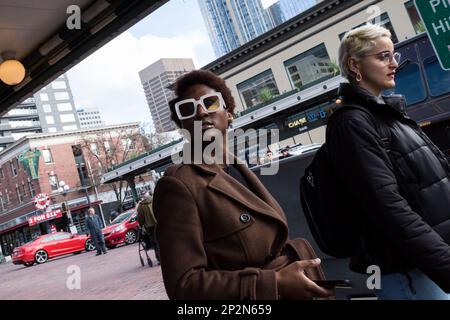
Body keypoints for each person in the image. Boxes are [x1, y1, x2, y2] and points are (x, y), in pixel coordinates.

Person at [152, 70, 333, 300]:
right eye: (188, 109)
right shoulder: (178, 184)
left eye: (210, 102)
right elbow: (184, 286)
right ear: (183, 125)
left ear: (228, 114)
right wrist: (273, 283)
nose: (200, 111)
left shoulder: (237, 168)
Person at [328, 24, 450, 299]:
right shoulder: (353, 123)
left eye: (393, 55)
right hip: (413, 274)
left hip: (429, 265)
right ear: (354, 65)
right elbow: (388, 207)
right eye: (383, 56)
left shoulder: (387, 115)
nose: (394, 63)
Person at [137, 192, 160, 264]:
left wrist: (141, 225)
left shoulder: (141, 206)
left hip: (150, 227)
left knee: (155, 243)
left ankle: (160, 258)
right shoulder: (155, 200)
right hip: (159, 224)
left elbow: (140, 218)